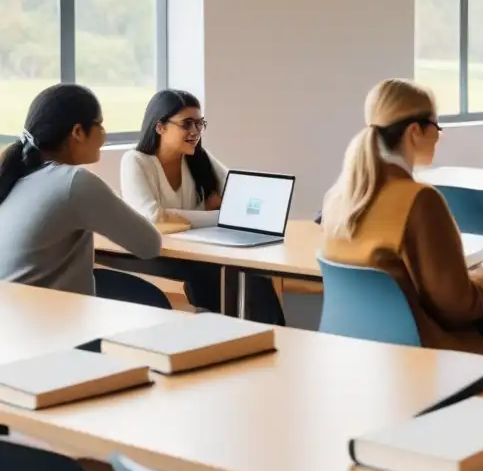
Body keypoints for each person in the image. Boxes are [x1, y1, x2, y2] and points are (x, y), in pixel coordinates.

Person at [320, 78, 483, 392]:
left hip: (361, 348)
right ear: (414, 132)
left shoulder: (340, 197)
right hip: (426, 352)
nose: (440, 135)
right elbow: (458, 307)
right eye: (436, 125)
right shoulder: (419, 200)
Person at [121, 90, 285, 324]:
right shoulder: (135, 161)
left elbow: (241, 192)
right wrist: (219, 215)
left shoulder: (198, 158)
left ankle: (269, 339)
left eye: (200, 124)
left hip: (199, 251)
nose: (195, 132)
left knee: (253, 277)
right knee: (213, 276)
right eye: (187, 124)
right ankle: (225, 337)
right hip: (158, 256)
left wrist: (184, 218)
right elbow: (153, 216)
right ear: (160, 127)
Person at [0, 84, 162, 295]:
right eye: (100, 124)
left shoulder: (17, 177)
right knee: (149, 296)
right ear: (77, 132)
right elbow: (150, 245)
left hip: (14, 319)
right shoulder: (74, 182)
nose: (105, 135)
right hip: (50, 323)